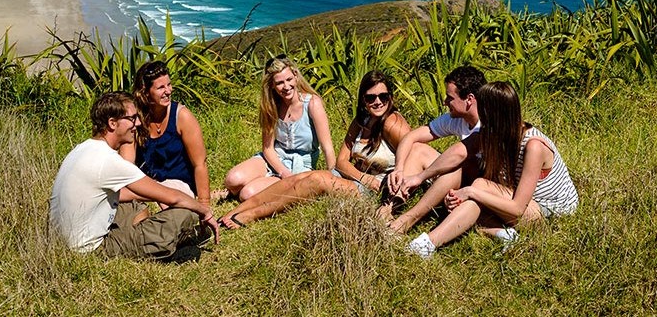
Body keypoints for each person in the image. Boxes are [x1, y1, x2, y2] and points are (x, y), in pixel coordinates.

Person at [218, 70, 411, 228]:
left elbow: (416, 155)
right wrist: (363, 177)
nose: (377, 102)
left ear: (390, 98)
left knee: (316, 179)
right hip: (355, 178)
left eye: (383, 96)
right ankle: (237, 210)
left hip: (374, 191)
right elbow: (342, 161)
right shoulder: (361, 121)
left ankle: (253, 214)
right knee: (299, 178)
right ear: (363, 100)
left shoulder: (393, 123)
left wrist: (390, 196)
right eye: (371, 97)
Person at [406, 81, 579, 258]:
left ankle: (428, 243)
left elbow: (518, 208)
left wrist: (470, 192)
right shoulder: (496, 134)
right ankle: (499, 233)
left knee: (478, 189)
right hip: (519, 200)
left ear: (494, 114)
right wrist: (459, 195)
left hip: (548, 213)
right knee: (476, 191)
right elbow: (465, 157)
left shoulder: (533, 146)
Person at [49, 92, 219, 260]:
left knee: (134, 206)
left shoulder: (83, 149)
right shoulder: (109, 161)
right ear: (112, 123)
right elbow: (173, 197)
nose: (137, 123)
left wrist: (155, 196)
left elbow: (125, 194)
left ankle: (146, 237)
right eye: (132, 118)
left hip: (65, 241)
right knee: (186, 212)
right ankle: (162, 248)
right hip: (90, 250)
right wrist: (204, 212)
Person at [379, 66, 487, 232]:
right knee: (418, 150)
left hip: (485, 187)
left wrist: (420, 177)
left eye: (450, 97)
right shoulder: (459, 118)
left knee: (457, 166)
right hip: (466, 179)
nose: (445, 102)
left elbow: (459, 153)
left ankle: (406, 221)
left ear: (469, 99)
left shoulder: (488, 121)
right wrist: (399, 169)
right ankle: (388, 207)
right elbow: (411, 137)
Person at [223, 54, 336, 201]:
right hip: (275, 158)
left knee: (247, 194)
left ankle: (250, 188)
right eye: (280, 83)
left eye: (289, 79)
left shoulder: (312, 103)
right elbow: (268, 148)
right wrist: (282, 172)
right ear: (272, 85)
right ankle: (238, 189)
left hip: (299, 165)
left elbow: (327, 147)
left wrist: (333, 179)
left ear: (296, 76)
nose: (286, 87)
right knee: (232, 179)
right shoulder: (272, 106)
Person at [120, 60, 212, 208]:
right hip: (148, 184)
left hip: (177, 184)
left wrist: (204, 204)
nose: (168, 91)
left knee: (167, 200)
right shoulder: (136, 119)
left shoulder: (181, 116)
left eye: (169, 85)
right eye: (161, 87)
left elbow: (200, 164)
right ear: (145, 92)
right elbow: (126, 165)